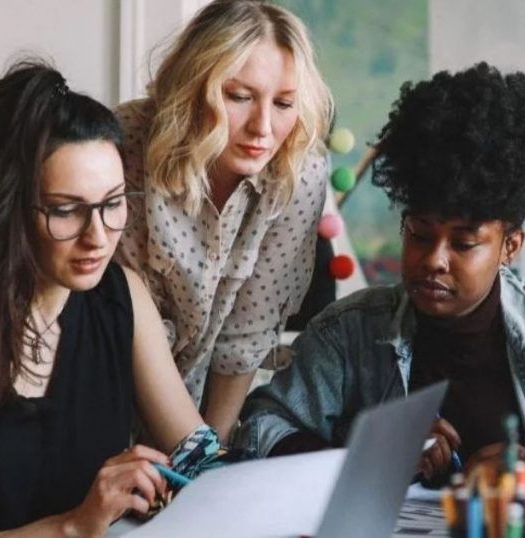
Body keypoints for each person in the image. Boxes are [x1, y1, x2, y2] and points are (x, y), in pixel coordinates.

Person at [234, 63, 525, 491]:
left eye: (464, 243)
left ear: (511, 245)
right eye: (419, 235)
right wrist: (369, 453)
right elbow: (261, 430)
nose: (434, 260)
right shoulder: (347, 333)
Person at [0, 61, 231, 536]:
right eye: (66, 210)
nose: (98, 236)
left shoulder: (124, 295)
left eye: (113, 203)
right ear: (5, 210)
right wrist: (72, 527)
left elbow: (198, 456)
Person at [114, 0, 334, 441]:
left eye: (284, 103)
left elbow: (246, 335)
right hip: (105, 394)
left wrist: (211, 457)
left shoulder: (299, 170)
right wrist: (193, 451)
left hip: (197, 414)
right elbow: (126, 317)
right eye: (240, 97)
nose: (263, 127)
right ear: (193, 86)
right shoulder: (126, 143)